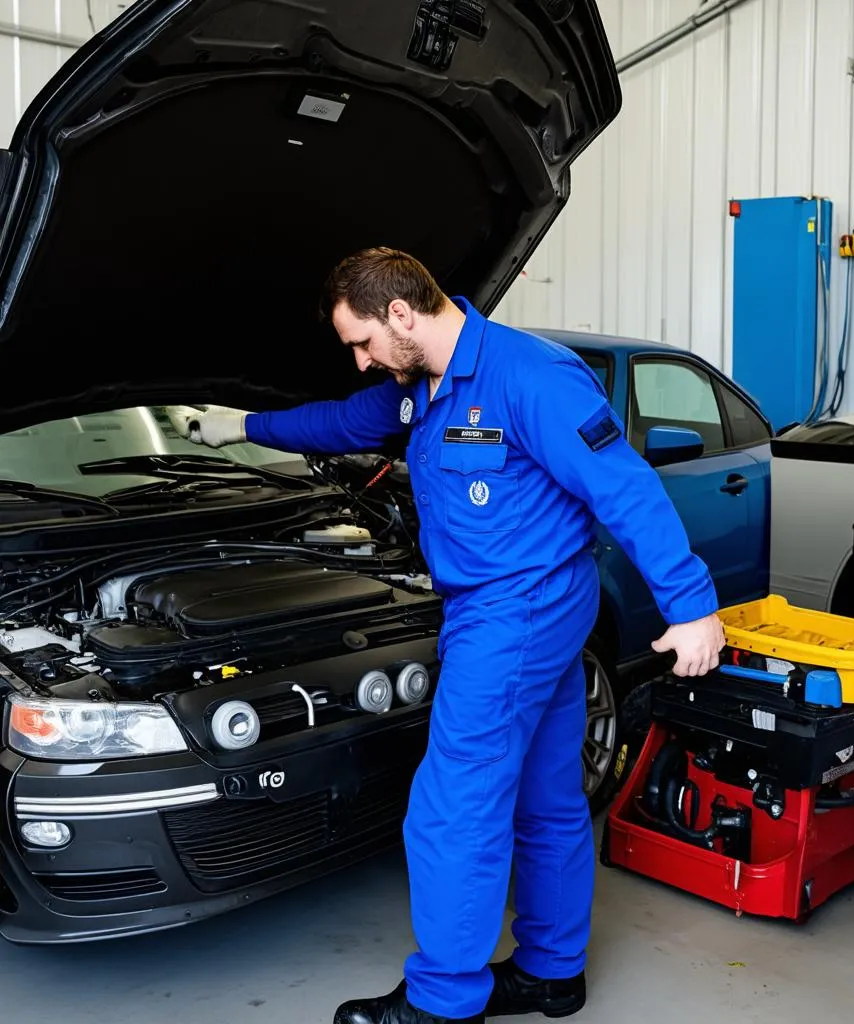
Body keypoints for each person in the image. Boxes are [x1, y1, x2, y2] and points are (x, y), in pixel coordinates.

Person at [169, 247, 724, 1024]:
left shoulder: (529, 376)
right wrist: (242, 427)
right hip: (532, 609)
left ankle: (443, 999)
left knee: (452, 803)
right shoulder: (420, 387)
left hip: (515, 611)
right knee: (546, 793)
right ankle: (553, 972)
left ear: (401, 314)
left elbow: (623, 485)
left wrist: (691, 606)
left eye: (361, 341)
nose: (361, 362)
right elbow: (337, 422)